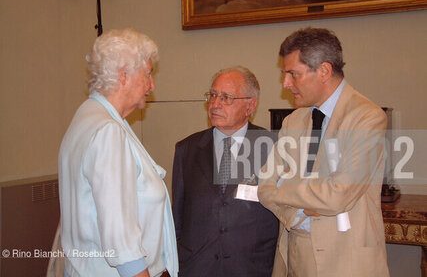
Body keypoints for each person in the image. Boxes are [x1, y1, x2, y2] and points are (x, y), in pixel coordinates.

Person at [258, 27, 390, 277]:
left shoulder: (367, 118)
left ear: (324, 71)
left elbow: (338, 196)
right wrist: (298, 213)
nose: (285, 84)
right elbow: (265, 188)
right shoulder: (292, 122)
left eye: (292, 74)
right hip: (294, 258)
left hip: (347, 262)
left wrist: (285, 186)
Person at [58, 28, 178, 277]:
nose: (152, 85)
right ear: (123, 75)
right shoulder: (107, 131)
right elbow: (120, 240)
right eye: (148, 74)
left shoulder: (86, 116)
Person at [172, 66, 279, 277]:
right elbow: (178, 217)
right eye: (212, 95)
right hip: (197, 269)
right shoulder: (187, 149)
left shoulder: (272, 147)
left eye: (226, 97)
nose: (215, 104)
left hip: (253, 269)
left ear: (250, 105)